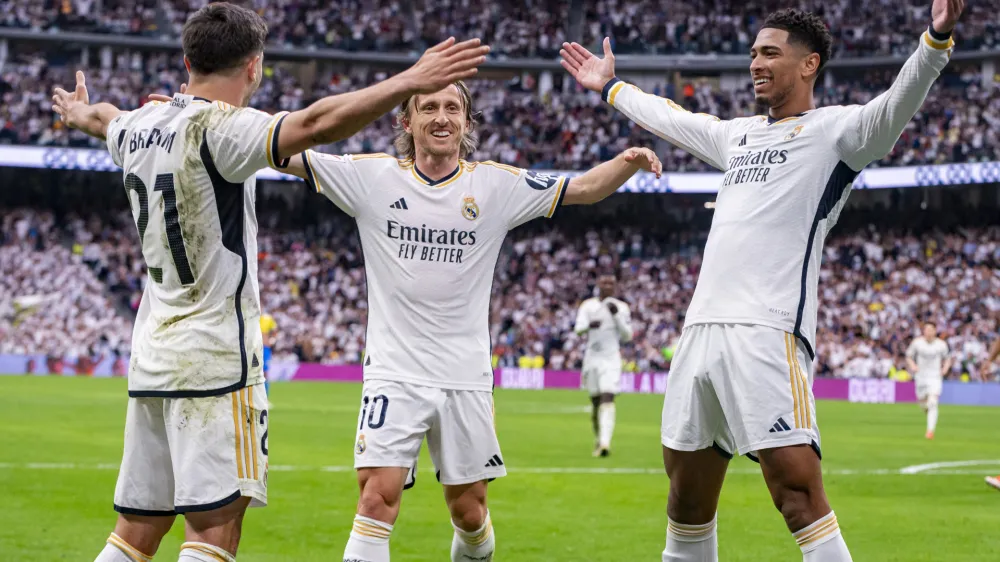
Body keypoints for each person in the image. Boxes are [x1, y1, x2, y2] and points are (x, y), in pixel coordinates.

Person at [50, 3, 489, 561]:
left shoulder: (137, 125)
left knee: (134, 533)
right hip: (215, 360)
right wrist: (409, 79)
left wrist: (77, 110)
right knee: (212, 532)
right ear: (254, 67)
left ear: (187, 61)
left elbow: (102, 118)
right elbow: (315, 124)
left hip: (152, 356)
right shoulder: (225, 129)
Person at [560, 1, 963, 560]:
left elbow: (898, 103)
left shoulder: (837, 133)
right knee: (686, 505)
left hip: (767, 333)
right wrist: (611, 87)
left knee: (798, 497)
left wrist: (935, 39)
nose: (756, 63)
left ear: (809, 65)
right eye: (753, 53)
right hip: (699, 333)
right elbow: (674, 118)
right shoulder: (738, 137)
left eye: (770, 53)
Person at [278, 80, 661, 562]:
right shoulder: (370, 178)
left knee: (469, 512)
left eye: (453, 108)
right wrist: (209, 115)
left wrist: (626, 162)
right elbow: (280, 151)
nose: (442, 117)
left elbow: (582, 188)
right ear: (406, 121)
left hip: (465, 375)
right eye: (429, 107)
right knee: (377, 497)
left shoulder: (495, 186)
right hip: (394, 370)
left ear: (467, 121)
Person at [574, 273, 633, 457]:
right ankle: (599, 440)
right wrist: (590, 325)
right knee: (596, 402)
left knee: (608, 397)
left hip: (611, 358)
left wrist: (617, 317)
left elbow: (628, 335)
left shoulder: (621, 307)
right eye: (604, 281)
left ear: (615, 286)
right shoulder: (588, 305)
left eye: (611, 282)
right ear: (598, 284)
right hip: (592, 358)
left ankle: (606, 443)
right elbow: (578, 329)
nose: (607, 284)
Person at [905, 323, 951, 439]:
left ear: (935, 331)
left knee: (933, 402)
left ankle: (930, 431)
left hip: (935, 376)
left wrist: (944, 369)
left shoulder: (941, 345)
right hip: (921, 376)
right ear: (923, 331)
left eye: (932, 330)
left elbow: (948, 359)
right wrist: (913, 366)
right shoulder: (917, 343)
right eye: (927, 330)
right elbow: (908, 356)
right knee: (923, 404)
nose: (929, 332)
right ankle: (928, 412)